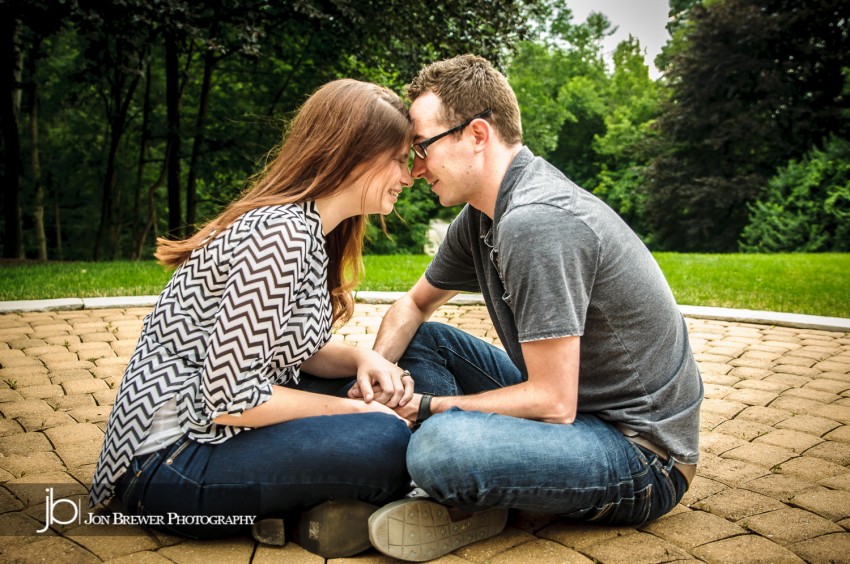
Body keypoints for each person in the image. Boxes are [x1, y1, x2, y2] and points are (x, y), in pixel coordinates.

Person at [362, 55, 704, 562]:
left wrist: (428, 408)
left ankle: (456, 484)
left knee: (441, 448)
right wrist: (375, 379)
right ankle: (482, 487)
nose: (414, 170)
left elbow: (552, 401)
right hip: (574, 417)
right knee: (422, 342)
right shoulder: (481, 217)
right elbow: (412, 305)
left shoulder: (536, 221)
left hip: (643, 454)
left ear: (477, 134)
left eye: (422, 147)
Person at [89, 79, 417, 559]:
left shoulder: (311, 228)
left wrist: (362, 358)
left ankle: (324, 507)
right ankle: (354, 502)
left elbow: (288, 351)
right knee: (383, 438)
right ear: (356, 153)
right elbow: (229, 400)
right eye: (399, 158)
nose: (407, 176)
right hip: (168, 464)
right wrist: (353, 411)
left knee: (417, 359)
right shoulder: (280, 237)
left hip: (224, 432)